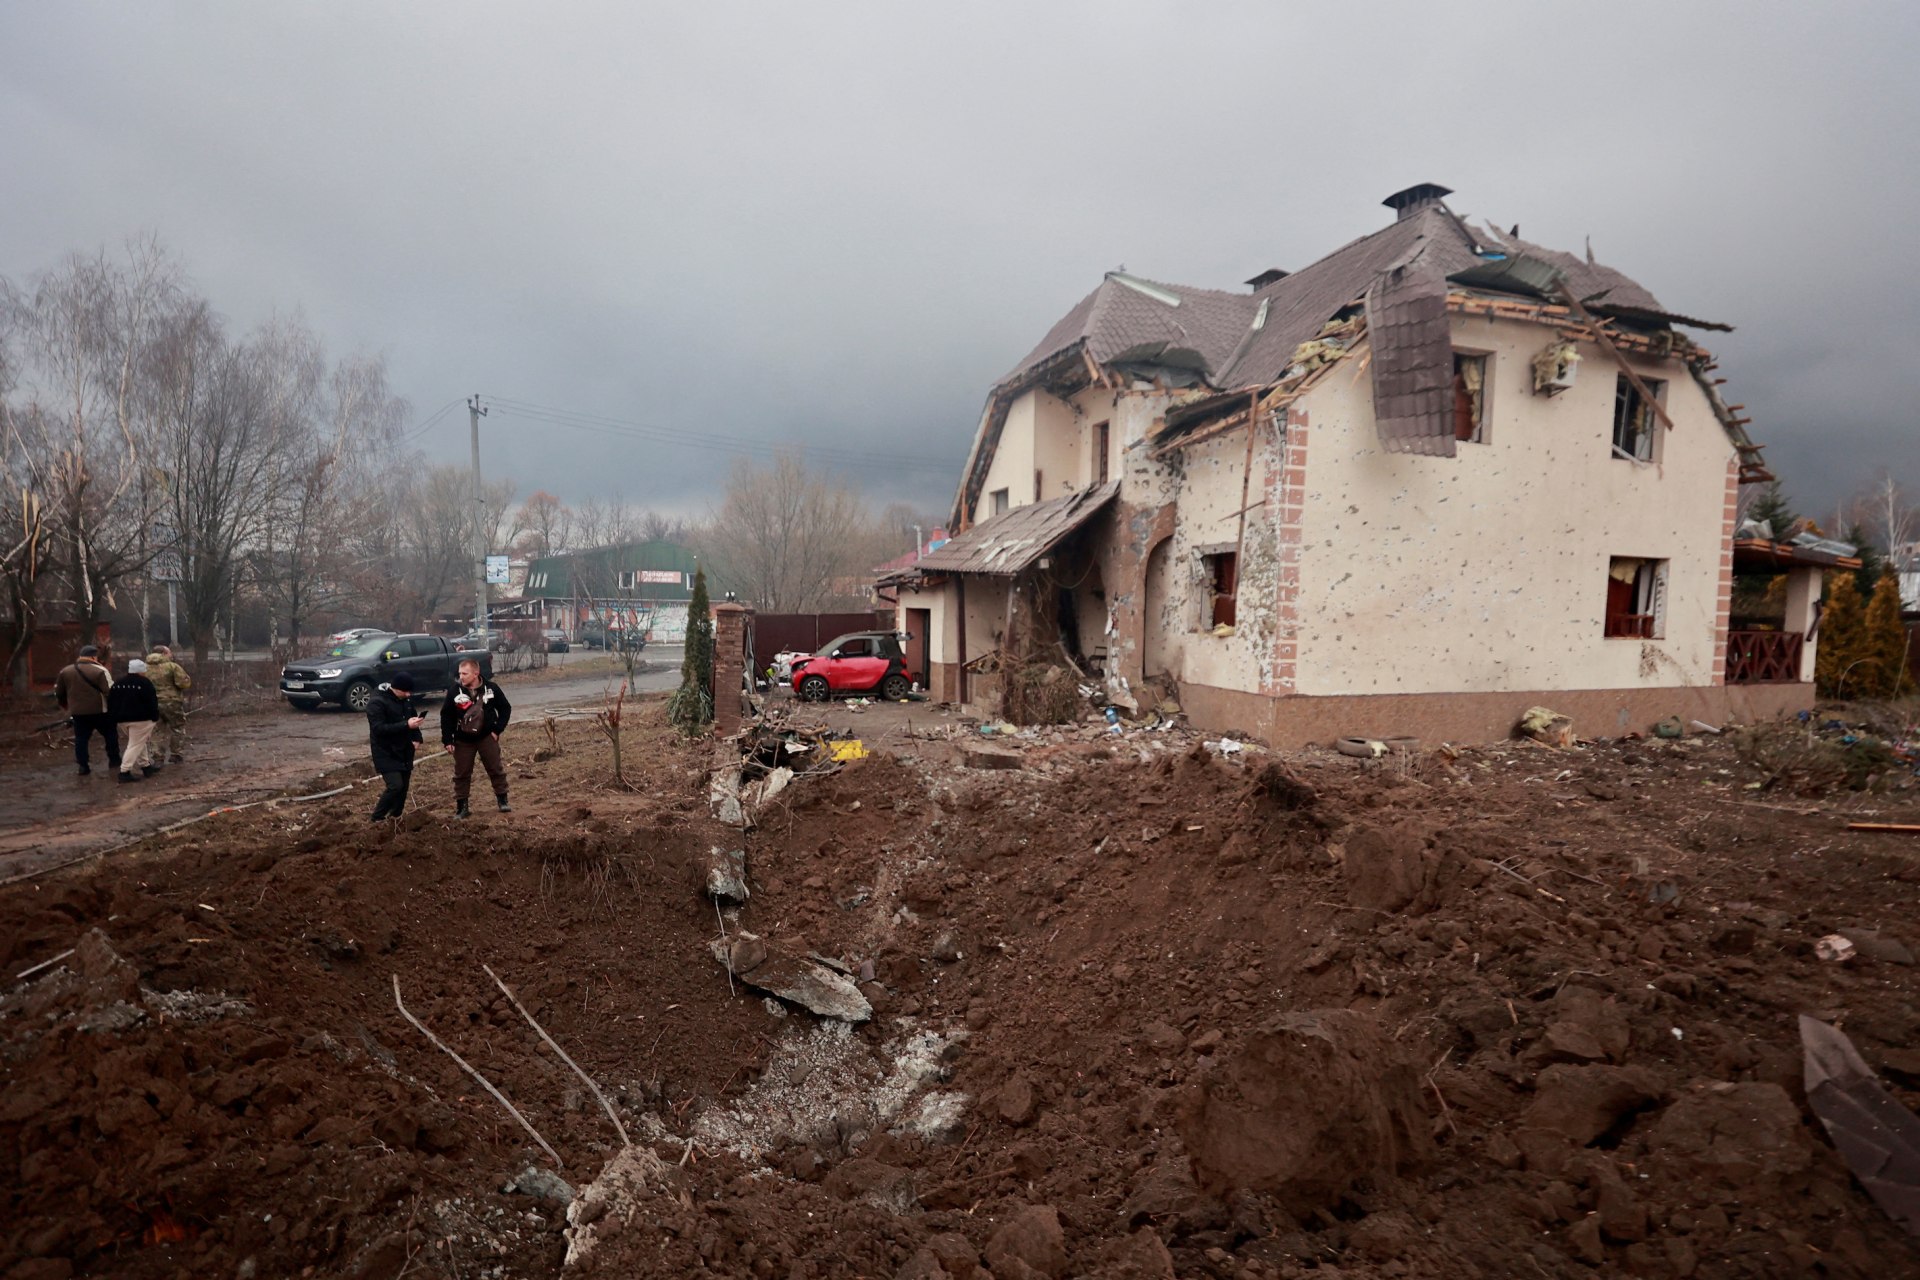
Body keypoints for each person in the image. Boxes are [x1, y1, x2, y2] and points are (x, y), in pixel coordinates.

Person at [440, 657, 513, 818]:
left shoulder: (491, 689)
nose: (461, 677)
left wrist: (497, 730)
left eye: (465, 673)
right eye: (460, 673)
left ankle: (503, 800)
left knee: (495, 768)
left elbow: (505, 709)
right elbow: (446, 716)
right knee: (462, 773)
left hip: (486, 736)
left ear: (476, 673)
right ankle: (462, 807)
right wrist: (448, 739)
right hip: (463, 739)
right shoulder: (454, 691)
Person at [367, 672, 426, 822]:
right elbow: (378, 729)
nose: (408, 694)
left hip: (405, 749)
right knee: (395, 786)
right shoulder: (377, 703)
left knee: (404, 787)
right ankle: (377, 817)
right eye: (405, 691)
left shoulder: (406, 700)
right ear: (395, 688)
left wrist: (417, 738)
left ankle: (395, 817)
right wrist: (406, 725)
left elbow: (413, 719)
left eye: (409, 691)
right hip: (385, 750)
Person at [55, 645, 120, 776]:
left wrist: (65, 705)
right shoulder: (100, 670)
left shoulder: (66, 671)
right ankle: (114, 760)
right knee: (110, 735)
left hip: (78, 712)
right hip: (100, 711)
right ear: (93, 657)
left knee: (81, 739)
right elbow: (110, 692)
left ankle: (83, 766)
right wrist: (116, 708)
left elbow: (59, 692)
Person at [107, 659, 162, 784]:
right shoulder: (145, 683)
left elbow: (111, 701)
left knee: (138, 742)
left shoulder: (118, 683)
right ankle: (124, 771)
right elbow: (152, 702)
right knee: (135, 745)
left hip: (122, 720)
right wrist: (155, 716)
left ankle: (146, 766)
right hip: (142, 720)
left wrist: (113, 717)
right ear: (141, 671)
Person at [145, 644, 193, 763]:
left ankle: (157, 756)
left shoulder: (144, 668)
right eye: (169, 652)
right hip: (171, 702)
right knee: (177, 727)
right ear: (164, 653)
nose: (171, 655)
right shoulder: (172, 667)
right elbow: (184, 683)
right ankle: (176, 754)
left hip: (151, 703)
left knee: (156, 730)